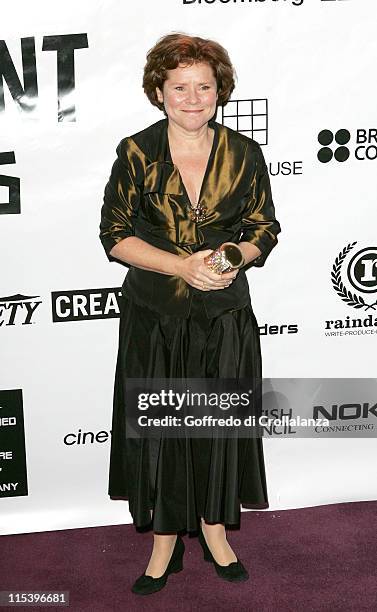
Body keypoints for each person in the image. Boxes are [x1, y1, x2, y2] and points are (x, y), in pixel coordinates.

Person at [99, 32, 281, 596]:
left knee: (218, 426)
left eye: (205, 86)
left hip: (224, 317)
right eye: (181, 86)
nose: (194, 97)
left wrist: (230, 257)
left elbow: (263, 230)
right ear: (160, 90)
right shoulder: (136, 151)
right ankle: (164, 540)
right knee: (161, 428)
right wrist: (181, 267)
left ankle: (214, 530)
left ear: (220, 91)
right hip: (156, 317)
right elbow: (115, 236)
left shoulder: (244, 153)